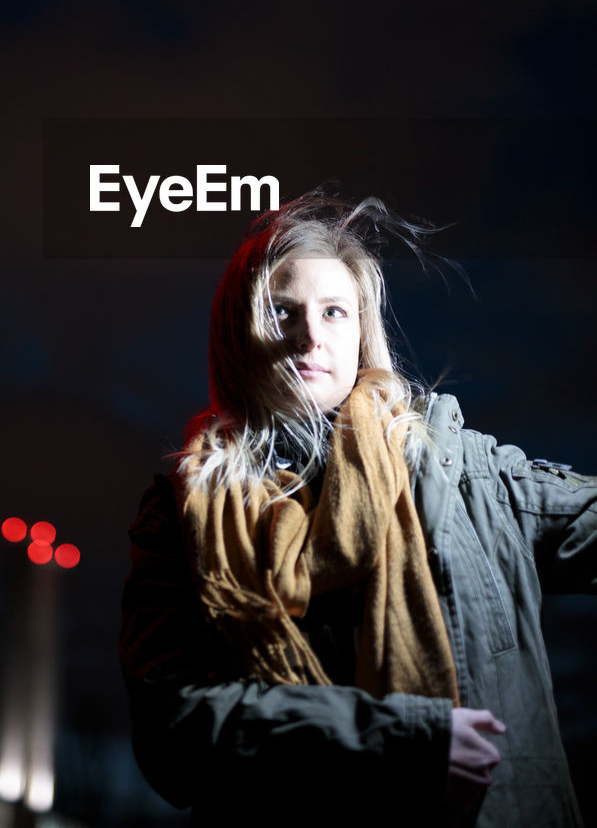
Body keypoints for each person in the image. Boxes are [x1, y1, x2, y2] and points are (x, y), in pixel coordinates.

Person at [119, 191, 595, 827]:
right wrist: (399, 742)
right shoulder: (182, 514)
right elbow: (172, 727)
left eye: (334, 312)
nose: (310, 336)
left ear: (360, 331)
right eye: (281, 311)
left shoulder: (464, 472)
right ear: (241, 336)